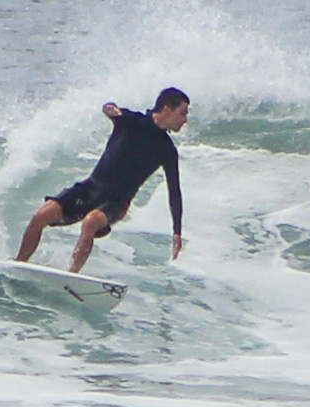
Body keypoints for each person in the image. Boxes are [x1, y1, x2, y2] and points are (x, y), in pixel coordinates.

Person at [16, 87, 189, 274]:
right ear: (166, 109)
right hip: (90, 188)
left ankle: (71, 275)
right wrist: (109, 109)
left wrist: (177, 231)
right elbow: (110, 108)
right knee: (40, 216)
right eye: (182, 113)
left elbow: (174, 191)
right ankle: (19, 264)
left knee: (90, 222)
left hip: (116, 202)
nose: (185, 119)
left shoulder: (167, 150)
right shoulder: (130, 121)